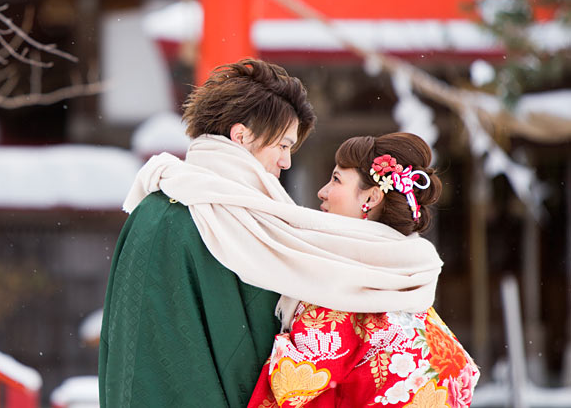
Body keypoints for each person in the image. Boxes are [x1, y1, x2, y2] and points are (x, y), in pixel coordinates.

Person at [100, 59, 444, 408]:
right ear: (242, 135)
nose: (286, 162)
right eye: (282, 146)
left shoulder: (231, 216)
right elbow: (168, 361)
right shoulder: (187, 217)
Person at [246, 133, 479, 408]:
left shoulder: (340, 286)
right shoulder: (411, 290)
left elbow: (290, 385)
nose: (322, 192)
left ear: (371, 196)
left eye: (336, 180)